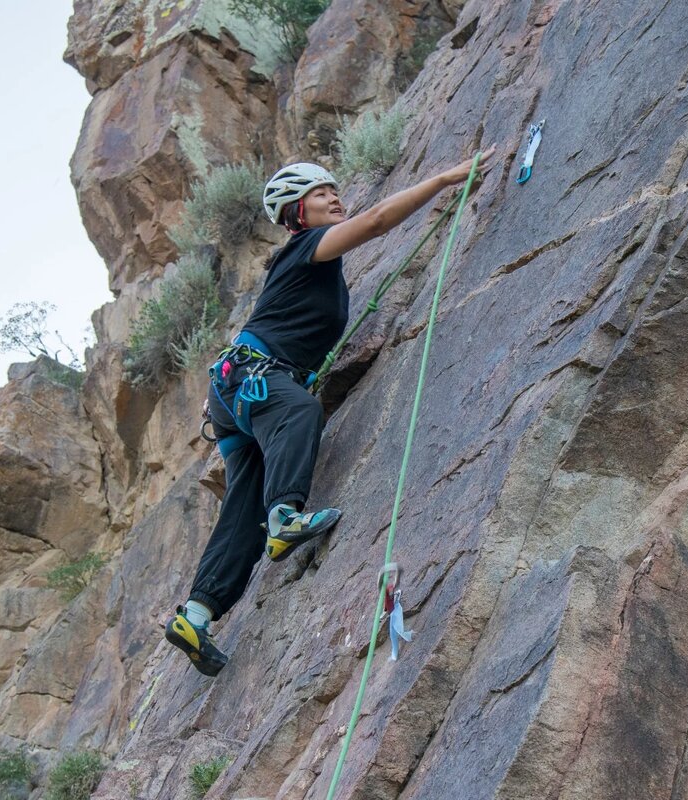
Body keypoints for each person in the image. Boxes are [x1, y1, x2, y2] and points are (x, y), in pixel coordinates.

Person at [165, 146, 497, 676]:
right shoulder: (305, 247)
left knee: (243, 508)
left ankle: (196, 615)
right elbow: (377, 221)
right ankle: (285, 519)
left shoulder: (304, 268)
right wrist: (443, 180)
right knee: (300, 411)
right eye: (320, 194)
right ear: (297, 213)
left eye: (334, 190)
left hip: (239, 387)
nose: (334, 198)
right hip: (254, 380)